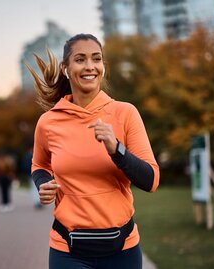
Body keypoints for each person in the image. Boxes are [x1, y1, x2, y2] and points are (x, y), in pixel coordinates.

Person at [28, 34, 160, 269]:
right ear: (66, 68)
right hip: (67, 251)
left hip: (123, 250)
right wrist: (44, 184)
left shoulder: (125, 113)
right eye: (80, 59)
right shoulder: (48, 122)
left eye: (96, 59)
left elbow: (151, 180)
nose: (90, 66)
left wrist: (117, 150)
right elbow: (39, 165)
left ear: (103, 67)